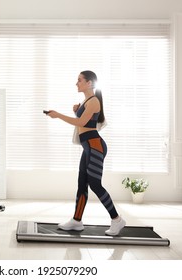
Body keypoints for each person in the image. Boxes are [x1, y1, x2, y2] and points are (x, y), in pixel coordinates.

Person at [46, 70, 126, 236]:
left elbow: (81, 122)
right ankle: (76, 221)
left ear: (89, 83)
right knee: (82, 183)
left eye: (79, 80)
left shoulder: (94, 101)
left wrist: (58, 115)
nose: (77, 83)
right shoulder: (87, 101)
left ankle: (117, 220)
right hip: (88, 147)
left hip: (95, 146)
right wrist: (77, 110)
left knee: (95, 184)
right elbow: (85, 123)